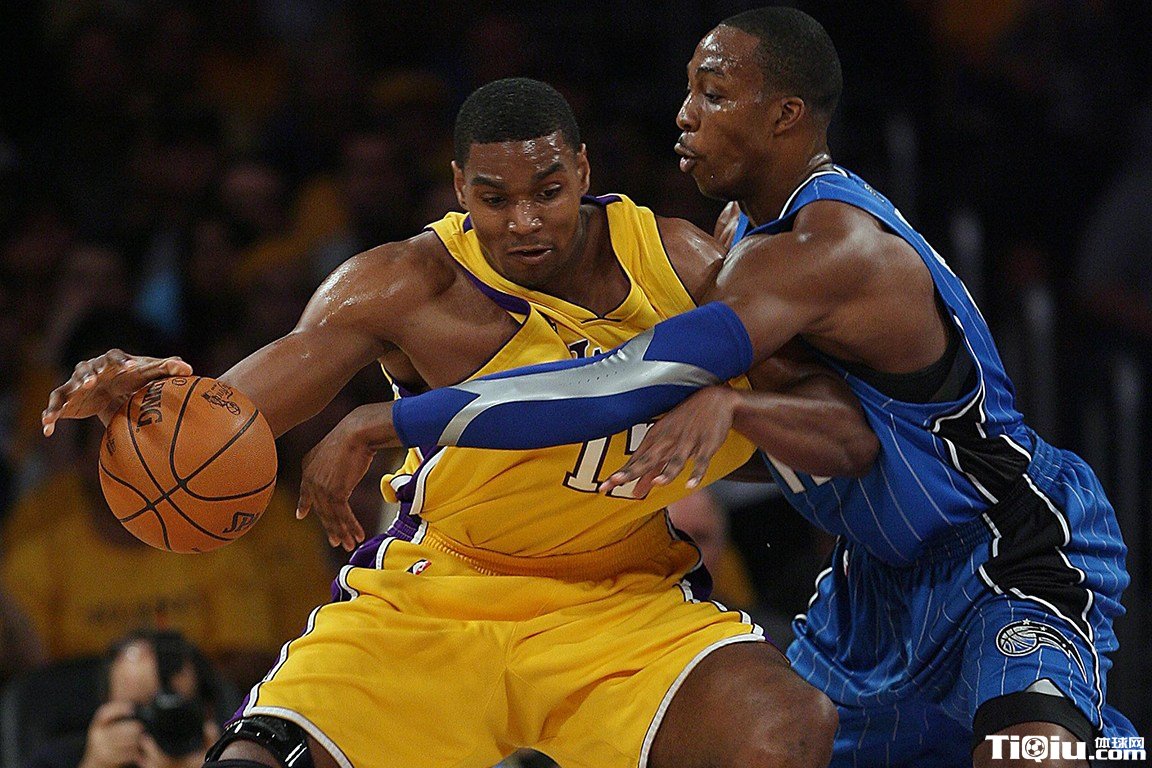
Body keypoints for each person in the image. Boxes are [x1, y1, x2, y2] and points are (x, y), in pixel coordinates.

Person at [350, 10, 1136, 767]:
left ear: (785, 115)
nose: (685, 115)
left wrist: (395, 420)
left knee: (1027, 753)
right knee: (777, 747)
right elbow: (837, 439)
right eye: (689, 90)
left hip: (1000, 545)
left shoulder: (828, 246)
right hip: (874, 577)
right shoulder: (735, 234)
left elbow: (624, 382)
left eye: (715, 94)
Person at [41, 78, 881, 768]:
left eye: (547, 191)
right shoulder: (404, 284)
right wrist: (162, 410)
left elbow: (838, 420)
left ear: (584, 170)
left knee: (786, 731)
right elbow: (239, 417)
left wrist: (735, 405)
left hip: (621, 600)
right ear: (457, 188)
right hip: (437, 594)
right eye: (494, 198)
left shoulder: (680, 263)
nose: (524, 221)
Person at [26, 629, 223, 768]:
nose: (159, 726)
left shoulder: (232, 754)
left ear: (207, 711)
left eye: (173, 710)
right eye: (140, 711)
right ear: (106, 709)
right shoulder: (57, 760)